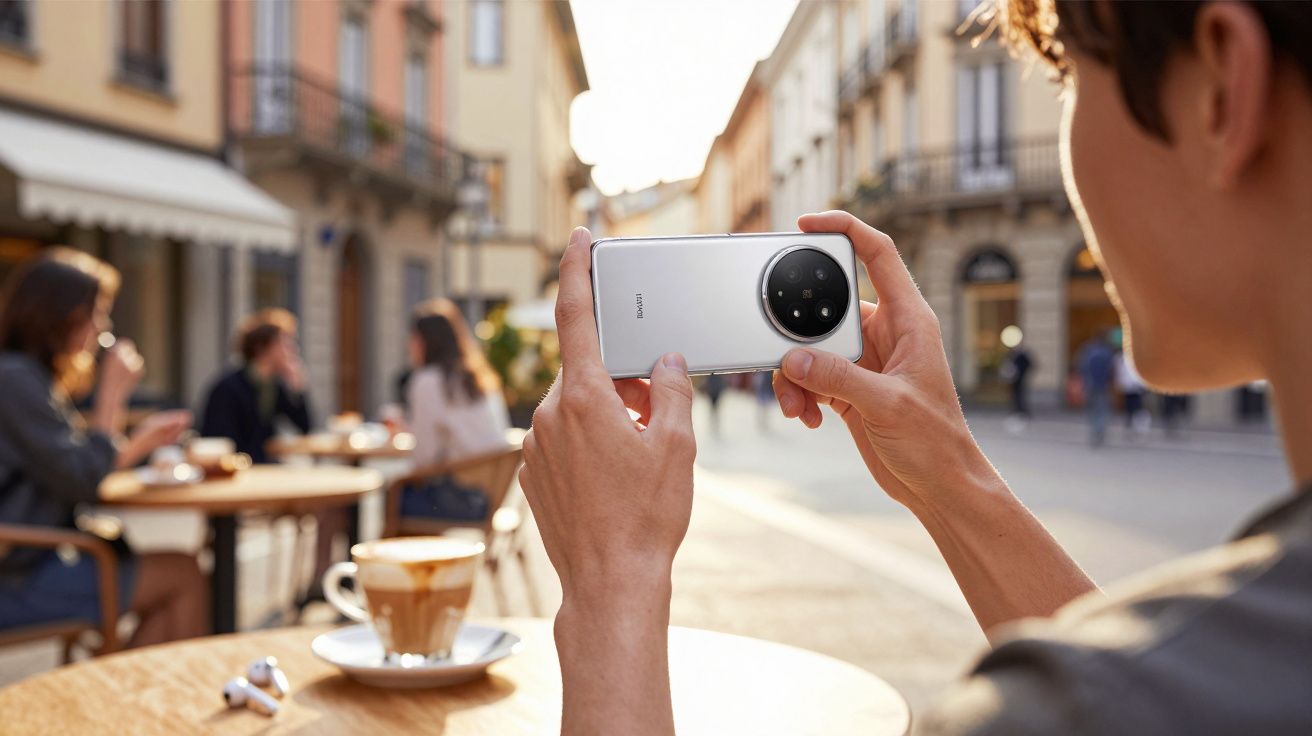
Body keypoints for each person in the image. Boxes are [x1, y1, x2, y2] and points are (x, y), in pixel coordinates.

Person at [518, 0, 1312, 732]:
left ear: (1220, 90)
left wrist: (610, 586)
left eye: (1067, 73)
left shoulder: (1055, 711)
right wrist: (946, 475)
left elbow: (1126, 701)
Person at [0, 248, 206, 647]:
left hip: (33, 559)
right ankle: (128, 698)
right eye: (93, 313)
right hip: (18, 574)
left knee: (178, 576)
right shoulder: (15, 380)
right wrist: (112, 394)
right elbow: (85, 478)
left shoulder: (25, 377)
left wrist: (139, 439)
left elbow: (75, 464)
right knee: (183, 575)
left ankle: (125, 694)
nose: (102, 327)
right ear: (56, 315)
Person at [400, 299, 509, 521]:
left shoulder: (428, 381)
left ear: (425, 341)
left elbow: (424, 460)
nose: (409, 345)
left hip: (460, 499)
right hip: (492, 496)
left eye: (413, 338)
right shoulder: (479, 377)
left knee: (396, 494)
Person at [199, 309, 311, 463]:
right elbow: (220, 441)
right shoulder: (228, 388)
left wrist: (298, 389)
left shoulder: (273, 386)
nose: (293, 350)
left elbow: (304, 427)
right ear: (263, 348)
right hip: (237, 473)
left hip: (263, 469)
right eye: (285, 343)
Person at [1076, 331, 1114, 446]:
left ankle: (1094, 432)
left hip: (1090, 384)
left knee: (1092, 409)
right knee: (1102, 409)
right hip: (1103, 385)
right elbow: (1111, 371)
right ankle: (1100, 431)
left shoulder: (1088, 351)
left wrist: (1083, 383)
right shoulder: (1107, 352)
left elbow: (1082, 368)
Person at [1116, 346, 1150, 434]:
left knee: (1135, 407)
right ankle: (1132, 424)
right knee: (1131, 406)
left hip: (1135, 387)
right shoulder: (1122, 359)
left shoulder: (1127, 359)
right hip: (1131, 387)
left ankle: (1135, 424)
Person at [1001, 341, 1033, 419]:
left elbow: (1029, 365)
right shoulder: (1012, 355)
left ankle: (1022, 411)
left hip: (1020, 379)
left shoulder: (1022, 355)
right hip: (1014, 379)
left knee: (1020, 395)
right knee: (1015, 395)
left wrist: (1022, 372)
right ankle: (1017, 410)